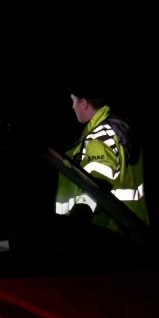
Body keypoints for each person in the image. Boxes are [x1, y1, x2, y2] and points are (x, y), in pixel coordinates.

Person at [54, 74, 149, 230]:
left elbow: (98, 181)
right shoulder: (116, 130)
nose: (72, 107)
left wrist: (78, 218)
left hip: (107, 236)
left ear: (84, 103)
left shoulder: (99, 139)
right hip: (131, 232)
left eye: (73, 101)